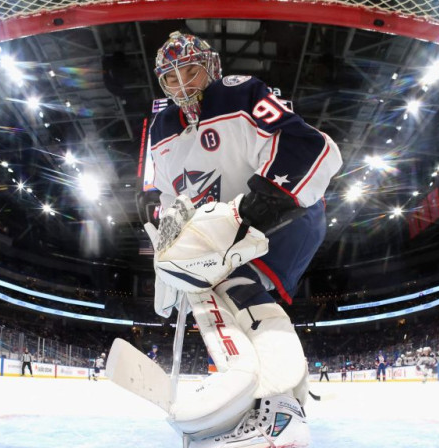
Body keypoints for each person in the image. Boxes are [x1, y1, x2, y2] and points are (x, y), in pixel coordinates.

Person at [145, 31, 342, 447]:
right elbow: (167, 197)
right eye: (171, 79)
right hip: (222, 235)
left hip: (287, 214)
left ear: (212, 67)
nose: (183, 86)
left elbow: (310, 148)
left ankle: (283, 414)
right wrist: (168, 243)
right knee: (209, 302)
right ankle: (262, 406)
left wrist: (258, 206)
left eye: (191, 71)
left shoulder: (240, 94)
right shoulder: (161, 130)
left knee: (240, 290)